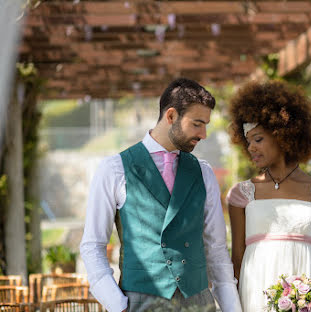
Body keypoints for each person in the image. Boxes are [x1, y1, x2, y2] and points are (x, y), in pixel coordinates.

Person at [80, 78, 242, 312]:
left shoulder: (203, 172)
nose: (204, 134)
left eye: (206, 124)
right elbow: (93, 245)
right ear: (171, 116)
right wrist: (118, 305)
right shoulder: (114, 169)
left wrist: (232, 309)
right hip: (139, 302)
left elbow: (216, 249)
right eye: (197, 124)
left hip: (198, 303)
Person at [226, 80, 311, 312]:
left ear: (283, 135)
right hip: (253, 297)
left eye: (258, 139)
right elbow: (236, 262)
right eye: (248, 141)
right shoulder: (242, 195)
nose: (251, 148)